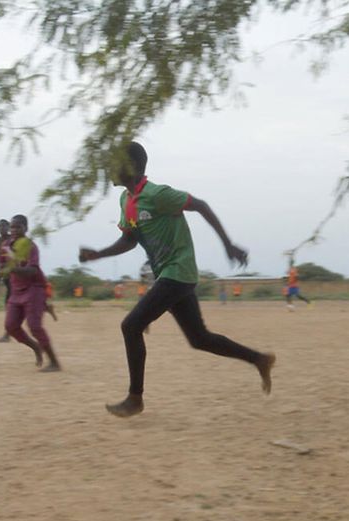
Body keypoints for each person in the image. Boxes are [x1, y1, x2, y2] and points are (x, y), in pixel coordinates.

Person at [78, 141, 275, 418]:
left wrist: (228, 244)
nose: (109, 168)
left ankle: (135, 398)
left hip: (178, 271)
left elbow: (201, 206)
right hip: (169, 275)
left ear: (131, 167)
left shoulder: (158, 194)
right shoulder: (126, 201)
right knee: (199, 338)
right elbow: (129, 239)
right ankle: (259, 359)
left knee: (131, 326)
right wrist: (99, 254)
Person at [0, 214, 61, 372]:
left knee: (35, 326)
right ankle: (36, 347)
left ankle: (55, 362)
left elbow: (32, 270)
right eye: (12, 227)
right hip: (16, 290)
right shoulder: (5, 247)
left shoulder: (30, 246)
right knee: (11, 326)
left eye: (18, 227)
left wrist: (13, 269)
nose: (14, 230)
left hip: (34, 288)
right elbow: (1, 268)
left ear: (26, 228)